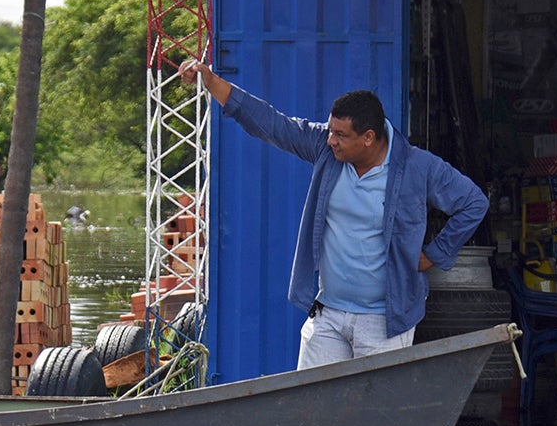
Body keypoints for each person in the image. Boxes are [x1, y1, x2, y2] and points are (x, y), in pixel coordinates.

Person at [180, 59, 488, 368]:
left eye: (340, 135)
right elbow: (273, 124)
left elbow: (474, 203)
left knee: (376, 414)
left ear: (368, 137)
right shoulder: (326, 152)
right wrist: (211, 81)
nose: (330, 140)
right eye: (330, 131)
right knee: (311, 408)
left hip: (384, 324)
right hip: (328, 315)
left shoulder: (418, 168)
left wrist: (434, 254)